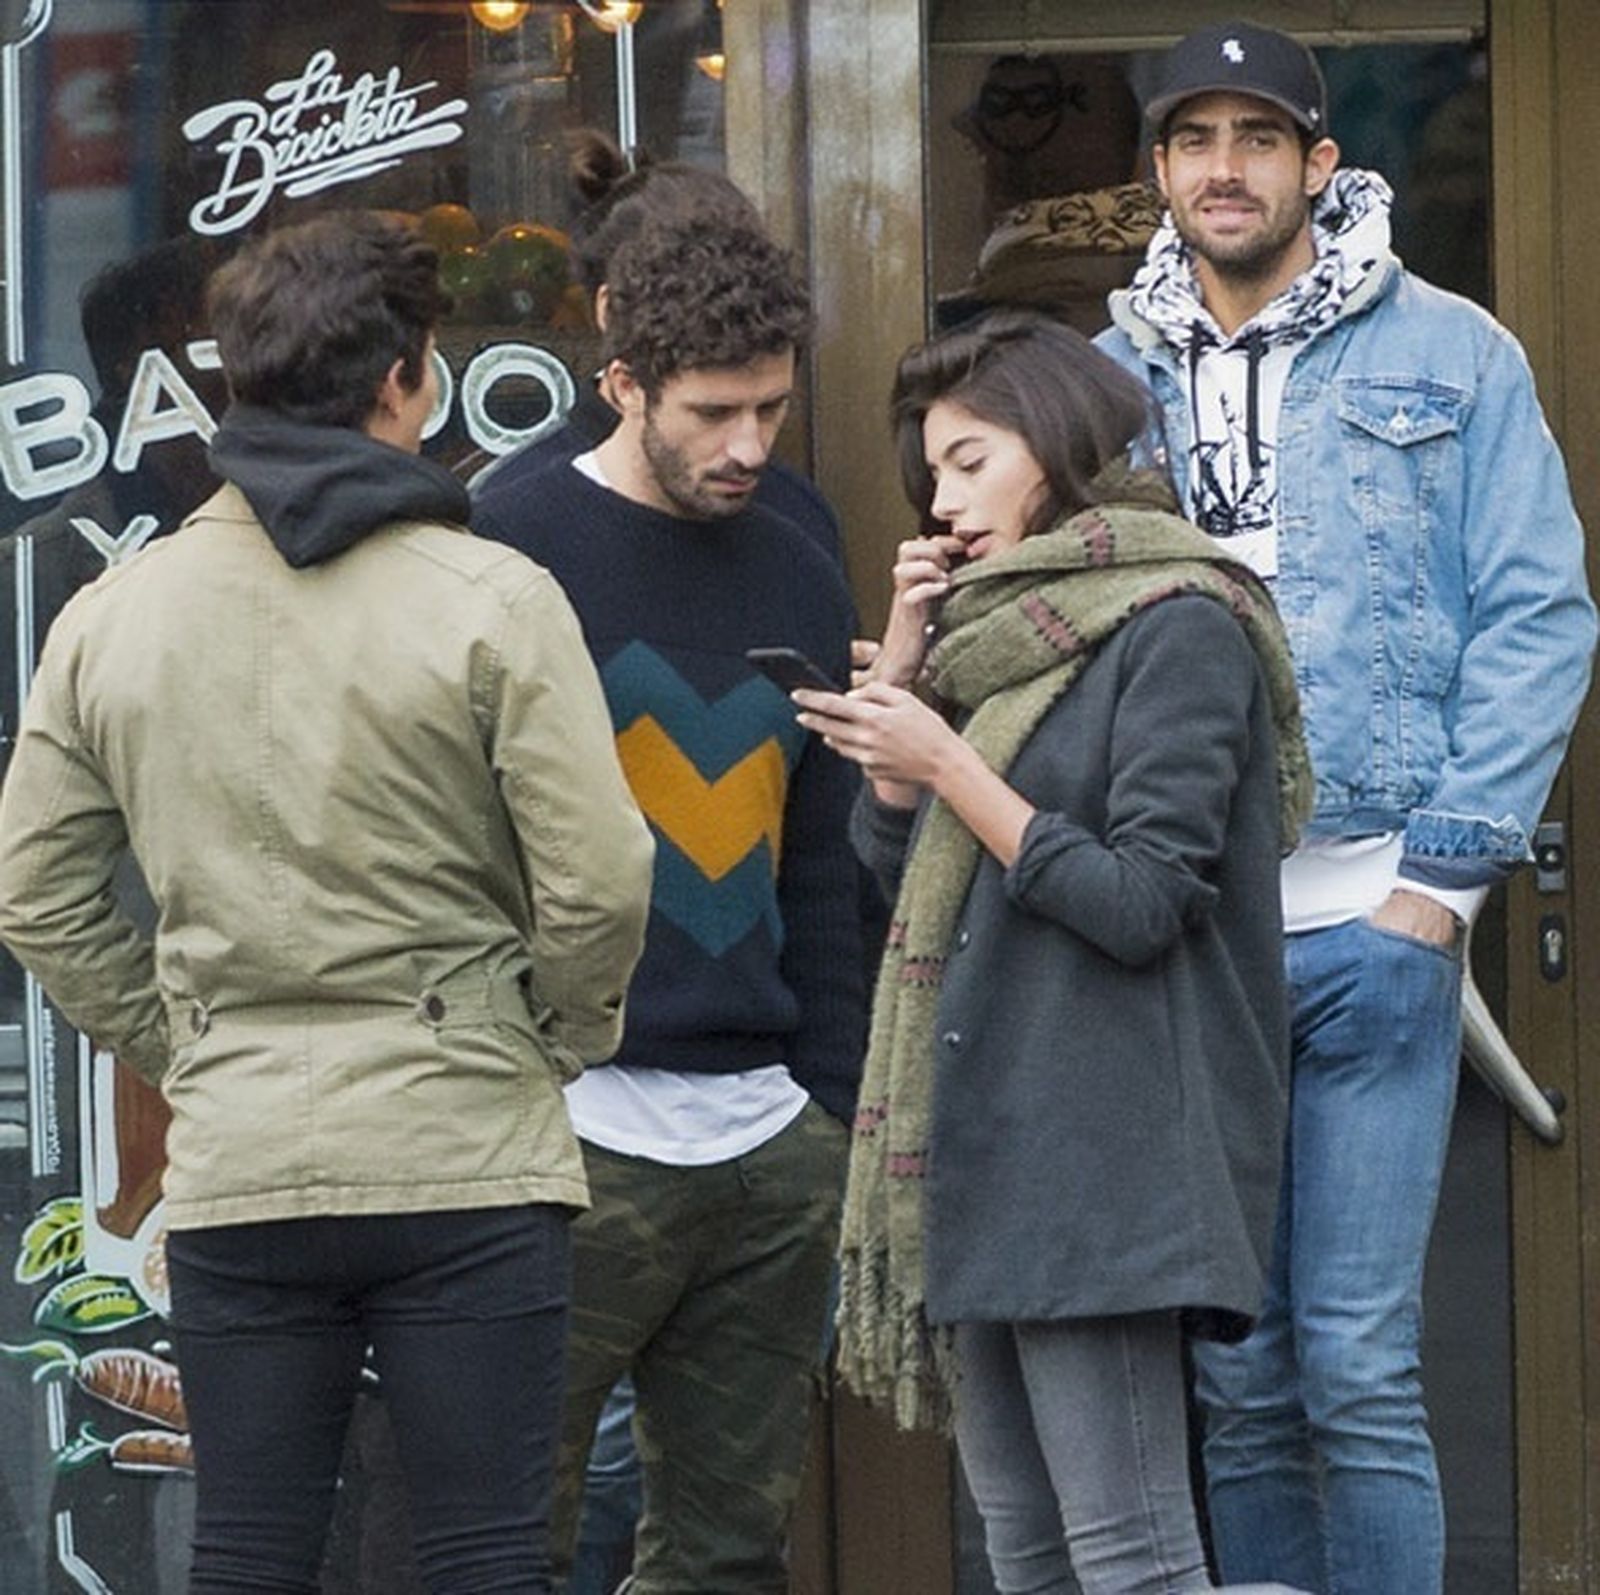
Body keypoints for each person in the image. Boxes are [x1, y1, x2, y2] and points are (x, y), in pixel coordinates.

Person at [0, 210, 655, 1595]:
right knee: (483, 1553)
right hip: (467, 1140)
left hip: (243, 1150)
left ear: (229, 377)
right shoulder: (495, 597)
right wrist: (554, 1033)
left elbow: (38, 895)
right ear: (410, 378)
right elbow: (600, 877)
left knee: (249, 1549)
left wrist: (191, 1044)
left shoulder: (113, 614)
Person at [1096, 23, 1598, 1594]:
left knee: (1363, 1369)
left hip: (1376, 922)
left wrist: (1437, 889)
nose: (1224, 168)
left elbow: (1541, 614)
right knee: (1239, 1377)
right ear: (1158, 170)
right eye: (1194, 139)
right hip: (1190, 935)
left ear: (1320, 163)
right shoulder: (1104, 378)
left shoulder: (1456, 352)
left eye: (1258, 138)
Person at [795, 308, 1311, 1595]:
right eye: (932, 473)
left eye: (970, 460)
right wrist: (908, 686)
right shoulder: (996, 640)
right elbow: (906, 877)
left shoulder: (1179, 621)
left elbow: (1142, 899)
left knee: (1134, 1558)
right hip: (986, 1138)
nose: (943, 500)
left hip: (1104, 1156)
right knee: (1024, 1551)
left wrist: (949, 762)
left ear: (1057, 437)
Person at [476, 210, 865, 1595]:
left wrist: (829, 1108)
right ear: (624, 380)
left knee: (729, 1557)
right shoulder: (505, 549)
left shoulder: (799, 558)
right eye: (712, 412)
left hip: (768, 1142)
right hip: (565, 1134)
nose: (749, 444)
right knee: (505, 1544)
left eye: (771, 407)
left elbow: (823, 860)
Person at [472, 128, 842, 566]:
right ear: (612, 309)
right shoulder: (508, 521)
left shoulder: (797, 514)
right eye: (713, 412)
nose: (748, 449)